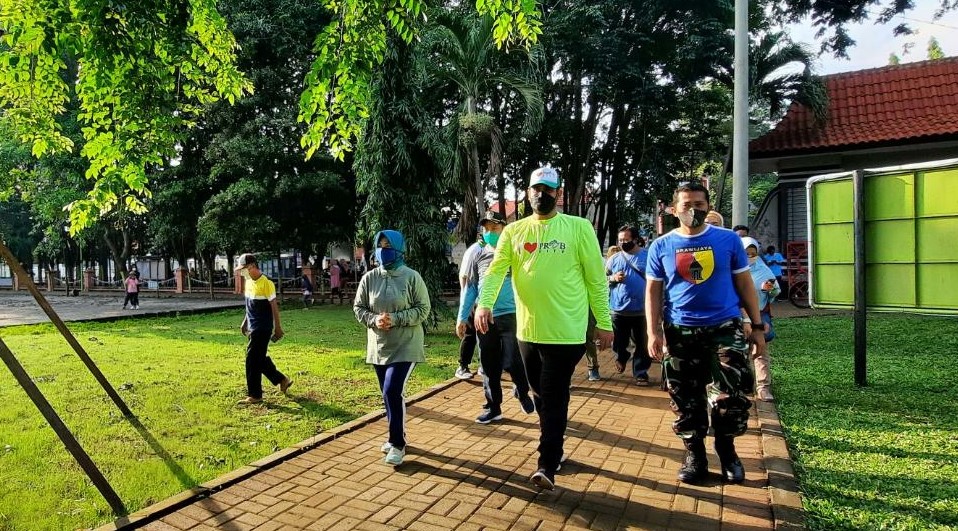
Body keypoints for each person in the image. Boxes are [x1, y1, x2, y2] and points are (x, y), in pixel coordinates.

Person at [475, 166, 613, 491]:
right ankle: (555, 445)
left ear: (559, 194)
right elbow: (496, 271)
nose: (541, 194)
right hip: (528, 333)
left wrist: (604, 323)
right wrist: (484, 304)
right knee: (540, 394)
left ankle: (546, 463)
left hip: (567, 333)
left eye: (548, 189)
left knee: (552, 395)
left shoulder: (578, 228)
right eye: (536, 188)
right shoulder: (514, 232)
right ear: (527, 193)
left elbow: (596, 279)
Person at [646, 182, 766, 485]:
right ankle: (695, 455)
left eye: (699, 204)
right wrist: (652, 332)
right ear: (674, 210)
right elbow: (653, 291)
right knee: (685, 397)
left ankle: (727, 451)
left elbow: (745, 285)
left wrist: (757, 326)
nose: (693, 211)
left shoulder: (727, 241)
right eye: (686, 205)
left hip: (724, 328)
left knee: (730, 396)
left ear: (708, 206)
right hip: (679, 331)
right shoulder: (661, 246)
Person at [354, 230, 430, 466]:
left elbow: (422, 309)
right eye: (380, 245)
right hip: (379, 347)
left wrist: (396, 319)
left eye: (388, 245)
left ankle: (398, 444)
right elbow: (359, 307)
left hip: (406, 345)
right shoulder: (369, 278)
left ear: (399, 249)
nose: (383, 250)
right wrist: (374, 320)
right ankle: (395, 435)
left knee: (392, 391)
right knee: (387, 396)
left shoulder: (411, 277)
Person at [458, 211, 535, 423]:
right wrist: (462, 317)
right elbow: (470, 288)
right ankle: (494, 406)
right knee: (489, 363)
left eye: (495, 228)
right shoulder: (478, 254)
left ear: (504, 228)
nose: (490, 232)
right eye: (486, 229)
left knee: (513, 359)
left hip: (512, 315)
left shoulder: (515, 252)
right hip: (484, 318)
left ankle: (522, 390)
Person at [235, 253, 292, 405]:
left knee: (251, 359)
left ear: (252, 266)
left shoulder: (266, 283)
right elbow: (250, 306)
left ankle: (255, 395)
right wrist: (245, 321)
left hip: (263, 327)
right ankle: (282, 379)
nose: (242, 272)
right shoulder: (248, 282)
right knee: (259, 359)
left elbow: (274, 307)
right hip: (253, 327)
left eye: (244, 269)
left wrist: (278, 328)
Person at [607, 226, 651, 385]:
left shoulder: (647, 257)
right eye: (620, 240)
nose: (623, 243)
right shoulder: (614, 259)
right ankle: (622, 355)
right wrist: (612, 278)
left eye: (626, 240)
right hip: (618, 310)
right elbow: (601, 280)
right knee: (618, 342)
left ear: (635, 239)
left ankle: (641, 372)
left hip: (642, 310)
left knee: (642, 343)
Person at [744, 238, 780, 402]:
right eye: (746, 253)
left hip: (760, 314)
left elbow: (775, 292)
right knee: (738, 351)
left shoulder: (764, 269)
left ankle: (763, 387)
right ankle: (742, 383)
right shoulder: (734, 269)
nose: (750, 257)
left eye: (753, 253)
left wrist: (768, 289)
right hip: (739, 315)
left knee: (761, 350)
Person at [455, 234, 484, 379]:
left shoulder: (496, 248)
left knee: (485, 335)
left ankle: (483, 366)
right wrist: (467, 302)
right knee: (470, 334)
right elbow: (465, 276)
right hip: (474, 300)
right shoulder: (475, 250)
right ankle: (463, 366)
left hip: (487, 302)